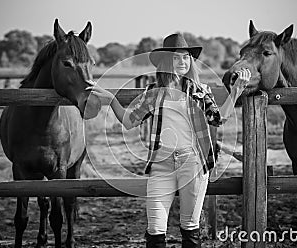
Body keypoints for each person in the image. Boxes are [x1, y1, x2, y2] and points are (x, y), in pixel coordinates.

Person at [86, 33, 250, 248]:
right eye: (176, 57)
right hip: (161, 165)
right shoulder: (153, 93)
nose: (182, 62)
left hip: (192, 163)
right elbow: (129, 121)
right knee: (155, 229)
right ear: (165, 61)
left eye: (185, 57)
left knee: (190, 226)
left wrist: (236, 91)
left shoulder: (198, 91)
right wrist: (111, 99)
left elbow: (218, 119)